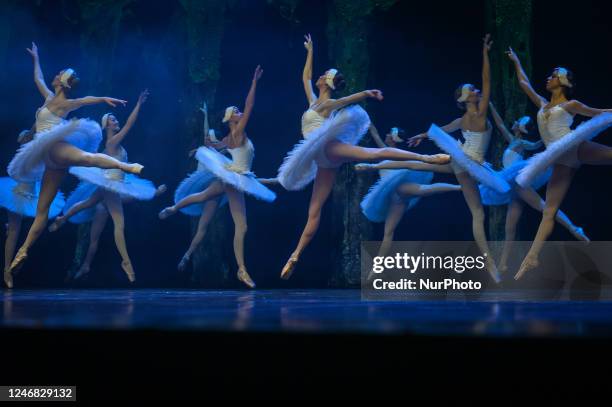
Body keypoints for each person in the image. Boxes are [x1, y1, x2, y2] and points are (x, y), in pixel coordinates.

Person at [278, 34, 449, 280]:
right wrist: (310, 51)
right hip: (323, 161)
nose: (316, 76)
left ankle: (428, 159)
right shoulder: (314, 102)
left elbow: (347, 99)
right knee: (313, 211)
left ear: (326, 82)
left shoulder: (328, 104)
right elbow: (304, 77)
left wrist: (366, 93)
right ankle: (295, 255)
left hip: (329, 148)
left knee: (375, 153)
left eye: (322, 74)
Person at [5, 42, 143, 286]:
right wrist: (36, 57)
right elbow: (37, 77)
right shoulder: (49, 97)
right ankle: (23, 250)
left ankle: (125, 167)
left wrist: (102, 98)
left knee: (86, 159)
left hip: (54, 149)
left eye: (59, 75)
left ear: (62, 82)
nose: (54, 75)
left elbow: (84, 100)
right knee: (42, 211)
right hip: (48, 156)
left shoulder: (62, 103)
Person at [159, 66, 275, 288]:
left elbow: (214, 145)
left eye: (238, 110)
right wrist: (254, 82)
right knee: (241, 226)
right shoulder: (237, 133)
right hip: (234, 180)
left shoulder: (231, 137)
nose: (240, 112)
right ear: (232, 119)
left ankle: (173, 209)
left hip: (235, 177)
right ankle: (242, 270)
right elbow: (250, 106)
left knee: (204, 196)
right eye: (236, 111)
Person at [506, 47, 612, 279]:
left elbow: (599, 112)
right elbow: (525, 84)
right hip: (560, 160)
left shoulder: (571, 105)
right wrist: (515, 61)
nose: (549, 77)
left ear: (563, 82)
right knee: (549, 211)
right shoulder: (543, 103)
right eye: (550, 75)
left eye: (554, 75)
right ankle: (532, 257)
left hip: (574, 147)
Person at [48, 90, 164, 282]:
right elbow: (129, 125)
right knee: (119, 224)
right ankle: (126, 261)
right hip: (111, 186)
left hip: (114, 184)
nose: (115, 121)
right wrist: (139, 105)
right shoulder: (112, 142)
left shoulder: (110, 145)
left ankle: (64, 220)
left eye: (115, 119)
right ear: (106, 125)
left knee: (88, 203)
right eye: (112, 119)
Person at [483, 102, 588, 273]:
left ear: (523, 129)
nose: (517, 122)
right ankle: (502, 264)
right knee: (510, 229)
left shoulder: (523, 143)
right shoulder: (512, 140)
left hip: (518, 183)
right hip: (512, 189)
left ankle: (574, 228)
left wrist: (557, 131)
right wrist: (491, 105)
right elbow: (500, 124)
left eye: (521, 122)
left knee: (544, 207)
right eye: (520, 121)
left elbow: (539, 143)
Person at [356, 125, 461, 257]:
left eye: (389, 134)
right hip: (395, 201)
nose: (387, 135)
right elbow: (376, 136)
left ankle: (459, 187)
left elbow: (403, 162)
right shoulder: (384, 151)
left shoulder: (395, 155)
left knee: (424, 190)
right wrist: (369, 125)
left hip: (401, 188)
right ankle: (378, 265)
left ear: (393, 139)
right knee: (388, 233)